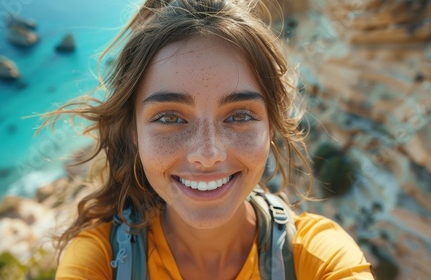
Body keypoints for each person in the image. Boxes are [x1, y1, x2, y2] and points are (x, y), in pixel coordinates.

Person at [50, 0, 375, 279]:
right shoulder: (100, 263)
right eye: (169, 117)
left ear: (272, 127)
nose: (207, 154)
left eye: (239, 116)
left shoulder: (319, 260)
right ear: (134, 132)